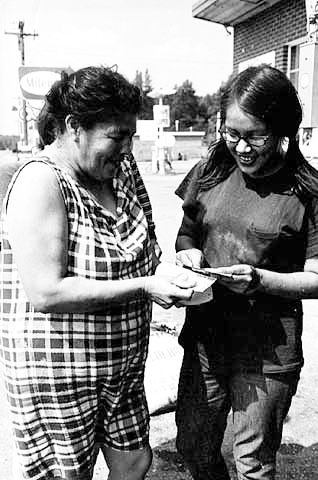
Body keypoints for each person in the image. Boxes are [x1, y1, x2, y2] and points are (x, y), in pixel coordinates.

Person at [0, 66, 195, 480]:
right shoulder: (42, 181)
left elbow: (146, 252)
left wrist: (174, 274)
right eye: (116, 135)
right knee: (67, 474)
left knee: (134, 460)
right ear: (74, 127)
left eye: (130, 135)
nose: (127, 147)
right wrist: (144, 286)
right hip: (61, 374)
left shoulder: (121, 172)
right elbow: (46, 292)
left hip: (122, 366)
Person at [174, 64, 318, 480]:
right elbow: (186, 235)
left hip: (267, 353)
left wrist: (259, 279)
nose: (241, 147)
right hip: (206, 341)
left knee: (252, 464)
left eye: (255, 136)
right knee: (193, 445)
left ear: (283, 130)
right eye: (232, 133)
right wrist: (188, 257)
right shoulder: (211, 169)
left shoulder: (314, 193)